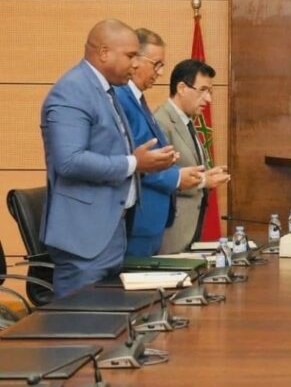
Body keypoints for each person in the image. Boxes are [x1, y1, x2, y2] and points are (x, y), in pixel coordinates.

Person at [40, 19, 177, 297]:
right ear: (104, 53)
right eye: (130, 56)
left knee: (109, 319)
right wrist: (134, 163)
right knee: (82, 320)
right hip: (83, 240)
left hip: (111, 233)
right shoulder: (72, 91)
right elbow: (69, 161)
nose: (135, 64)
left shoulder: (106, 91)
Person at [114, 29, 204, 256]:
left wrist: (170, 161)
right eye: (157, 65)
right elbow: (136, 159)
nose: (161, 73)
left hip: (152, 222)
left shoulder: (138, 99)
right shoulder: (121, 99)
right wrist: (177, 176)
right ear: (135, 60)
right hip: (136, 221)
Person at [154, 59, 230, 254]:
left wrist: (207, 175)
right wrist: (203, 181)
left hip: (191, 229)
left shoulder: (187, 121)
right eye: (202, 90)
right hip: (171, 232)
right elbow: (157, 176)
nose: (208, 99)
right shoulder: (161, 122)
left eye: (210, 92)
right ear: (181, 88)